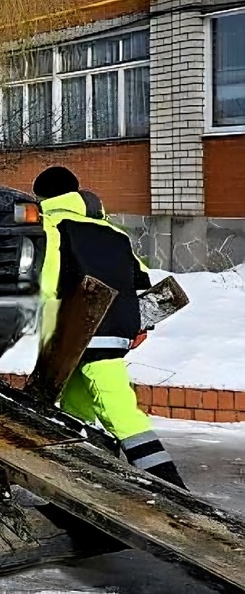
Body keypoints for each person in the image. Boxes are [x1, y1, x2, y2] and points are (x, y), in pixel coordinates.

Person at [33, 166, 188, 490]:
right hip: (118, 329)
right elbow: (142, 280)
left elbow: (47, 283)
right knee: (78, 409)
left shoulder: (52, 226)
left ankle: (171, 488)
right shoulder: (114, 233)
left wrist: (41, 331)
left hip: (80, 330)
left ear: (42, 197)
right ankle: (88, 484)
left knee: (119, 409)